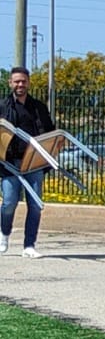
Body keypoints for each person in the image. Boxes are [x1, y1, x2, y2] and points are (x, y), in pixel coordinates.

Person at [0, 66, 55, 257]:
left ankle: (29, 245)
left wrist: (48, 155)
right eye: (16, 81)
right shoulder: (2, 106)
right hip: (10, 163)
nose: (20, 85)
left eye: (23, 81)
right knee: (8, 202)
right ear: (10, 83)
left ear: (28, 83)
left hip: (34, 162)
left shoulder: (38, 108)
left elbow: (49, 133)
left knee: (35, 204)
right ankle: (4, 234)